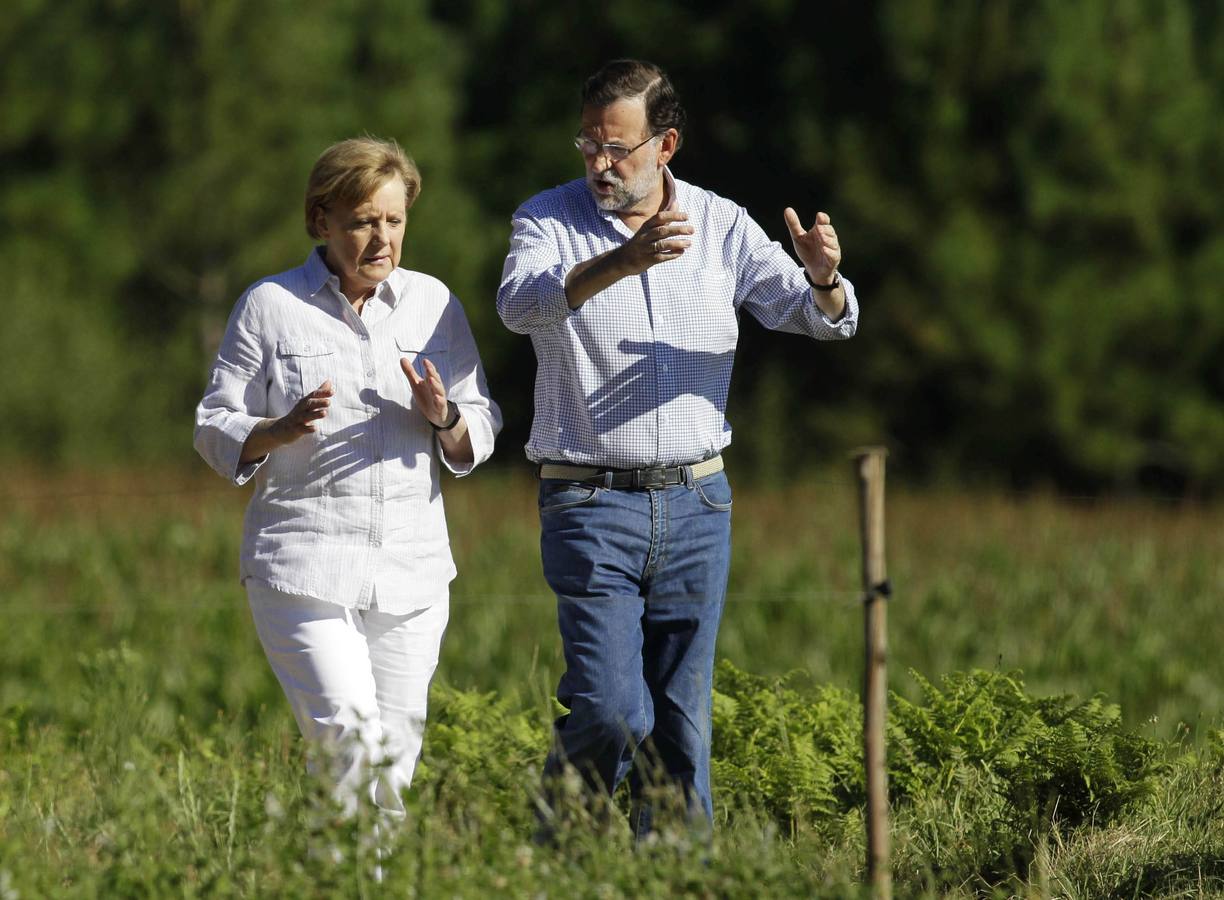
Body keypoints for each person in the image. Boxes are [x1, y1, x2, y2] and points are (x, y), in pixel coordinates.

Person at [497, 59, 859, 837]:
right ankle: (557, 851)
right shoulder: (545, 219)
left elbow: (814, 315)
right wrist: (619, 262)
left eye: (616, 149)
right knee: (608, 705)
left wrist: (826, 280)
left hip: (698, 502)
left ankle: (677, 877)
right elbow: (519, 306)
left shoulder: (722, 225)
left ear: (665, 144)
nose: (598, 164)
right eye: (588, 145)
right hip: (588, 500)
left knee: (681, 723)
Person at [195, 136, 501, 822]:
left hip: (412, 574)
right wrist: (276, 430)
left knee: (390, 769)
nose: (381, 237)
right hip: (303, 566)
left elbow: (479, 423)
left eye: (393, 221)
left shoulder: (433, 304)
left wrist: (444, 413)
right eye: (363, 220)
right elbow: (214, 424)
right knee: (350, 745)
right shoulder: (270, 305)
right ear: (321, 221)